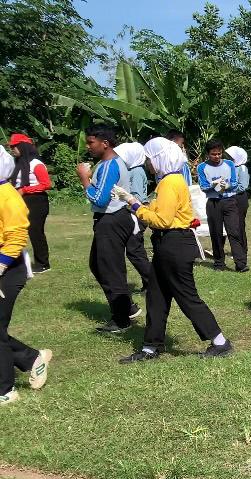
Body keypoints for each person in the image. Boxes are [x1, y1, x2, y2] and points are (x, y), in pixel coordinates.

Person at [113, 138, 233, 362]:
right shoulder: (171, 181)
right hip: (168, 244)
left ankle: (220, 342)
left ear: (159, 158)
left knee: (187, 297)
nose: (148, 163)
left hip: (174, 244)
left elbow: (162, 220)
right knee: (156, 297)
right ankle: (151, 347)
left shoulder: (170, 183)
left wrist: (133, 204)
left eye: (149, 158)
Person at [77, 125, 143, 334]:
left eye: (91, 142)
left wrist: (84, 179)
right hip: (112, 218)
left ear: (105, 143)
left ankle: (121, 320)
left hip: (112, 219)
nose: (88, 147)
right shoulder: (111, 163)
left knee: (110, 269)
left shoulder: (108, 166)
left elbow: (100, 198)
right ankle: (127, 307)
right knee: (98, 264)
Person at [0, 146, 52, 404]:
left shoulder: (7, 195)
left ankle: (5, 390)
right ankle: (31, 358)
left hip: (9, 267)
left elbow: (17, 236)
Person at [197, 139, 246, 272]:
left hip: (230, 202)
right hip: (213, 203)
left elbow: (235, 183)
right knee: (216, 233)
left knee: (234, 232)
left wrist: (223, 185)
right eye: (214, 154)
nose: (217, 157)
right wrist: (219, 185)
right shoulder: (202, 167)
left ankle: (240, 264)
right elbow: (203, 187)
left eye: (219, 154)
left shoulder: (230, 164)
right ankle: (219, 263)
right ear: (208, 154)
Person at [115, 142, 156, 293]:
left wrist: (124, 199)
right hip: (133, 213)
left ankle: (153, 282)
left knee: (135, 251)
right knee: (135, 250)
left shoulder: (137, 171)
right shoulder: (131, 170)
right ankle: (149, 283)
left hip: (136, 214)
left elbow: (137, 196)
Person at [8, 134, 52, 273]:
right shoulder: (18, 163)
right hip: (21, 200)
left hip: (36, 200)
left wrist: (25, 189)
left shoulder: (36, 164)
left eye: (14, 146)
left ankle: (43, 263)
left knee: (35, 231)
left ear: (22, 146)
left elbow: (46, 184)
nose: (12, 149)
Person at [225, 146, 251, 270]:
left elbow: (242, 186)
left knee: (239, 226)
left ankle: (242, 251)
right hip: (229, 199)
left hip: (239, 200)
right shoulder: (229, 168)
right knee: (233, 226)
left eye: (231, 156)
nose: (228, 158)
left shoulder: (242, 168)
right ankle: (239, 252)